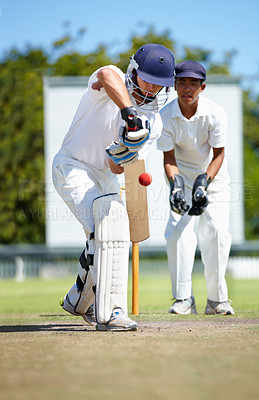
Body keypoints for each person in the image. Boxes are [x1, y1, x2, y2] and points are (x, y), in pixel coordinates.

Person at [52, 44, 175, 331]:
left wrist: (122, 151)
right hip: (72, 165)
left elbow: (117, 169)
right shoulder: (111, 81)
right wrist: (129, 115)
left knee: (109, 233)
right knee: (106, 227)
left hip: (105, 175)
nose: (153, 88)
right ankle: (111, 312)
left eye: (160, 84)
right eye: (148, 80)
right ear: (134, 71)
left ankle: (79, 298)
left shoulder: (153, 122)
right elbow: (107, 74)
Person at [157, 61, 234, 315]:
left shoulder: (214, 113)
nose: (186, 89)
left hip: (214, 179)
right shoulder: (166, 116)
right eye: (181, 83)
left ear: (202, 87)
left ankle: (216, 300)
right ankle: (183, 299)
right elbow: (169, 158)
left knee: (217, 234)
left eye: (192, 84)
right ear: (175, 86)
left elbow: (219, 155)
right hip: (182, 178)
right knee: (178, 235)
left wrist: (204, 182)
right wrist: (175, 187)